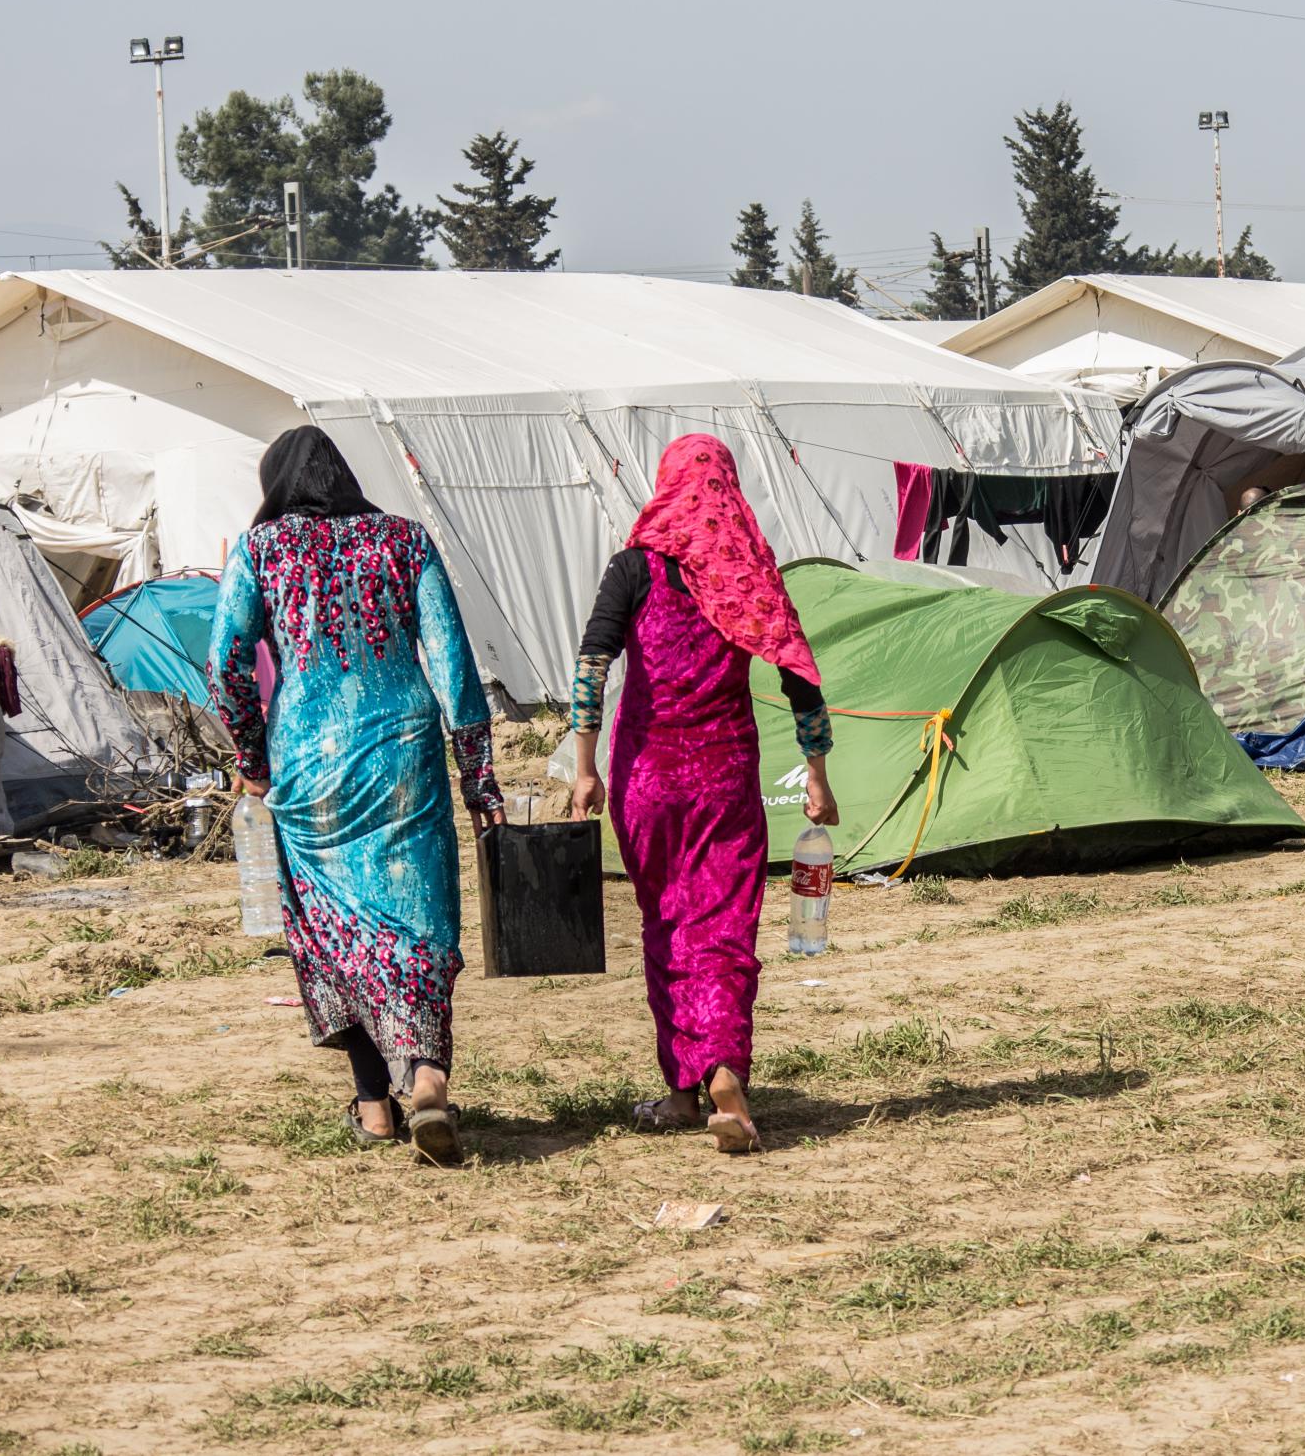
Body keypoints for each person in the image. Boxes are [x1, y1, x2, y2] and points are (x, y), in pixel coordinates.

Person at [209, 428, 504, 1165]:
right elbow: (453, 662)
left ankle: (375, 1106)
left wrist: (251, 756)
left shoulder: (263, 549)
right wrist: (480, 776)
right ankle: (428, 1080)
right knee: (419, 928)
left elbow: (224, 661)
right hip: (405, 755)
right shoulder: (404, 540)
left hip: (310, 765)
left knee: (335, 934)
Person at [567, 435, 837, 1153]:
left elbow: (593, 662)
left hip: (648, 780)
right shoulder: (745, 567)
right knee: (722, 927)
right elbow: (800, 676)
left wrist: (584, 764)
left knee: (667, 924)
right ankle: (725, 1077)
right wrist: (817, 774)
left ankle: (686, 1091)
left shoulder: (635, 567)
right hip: (724, 780)